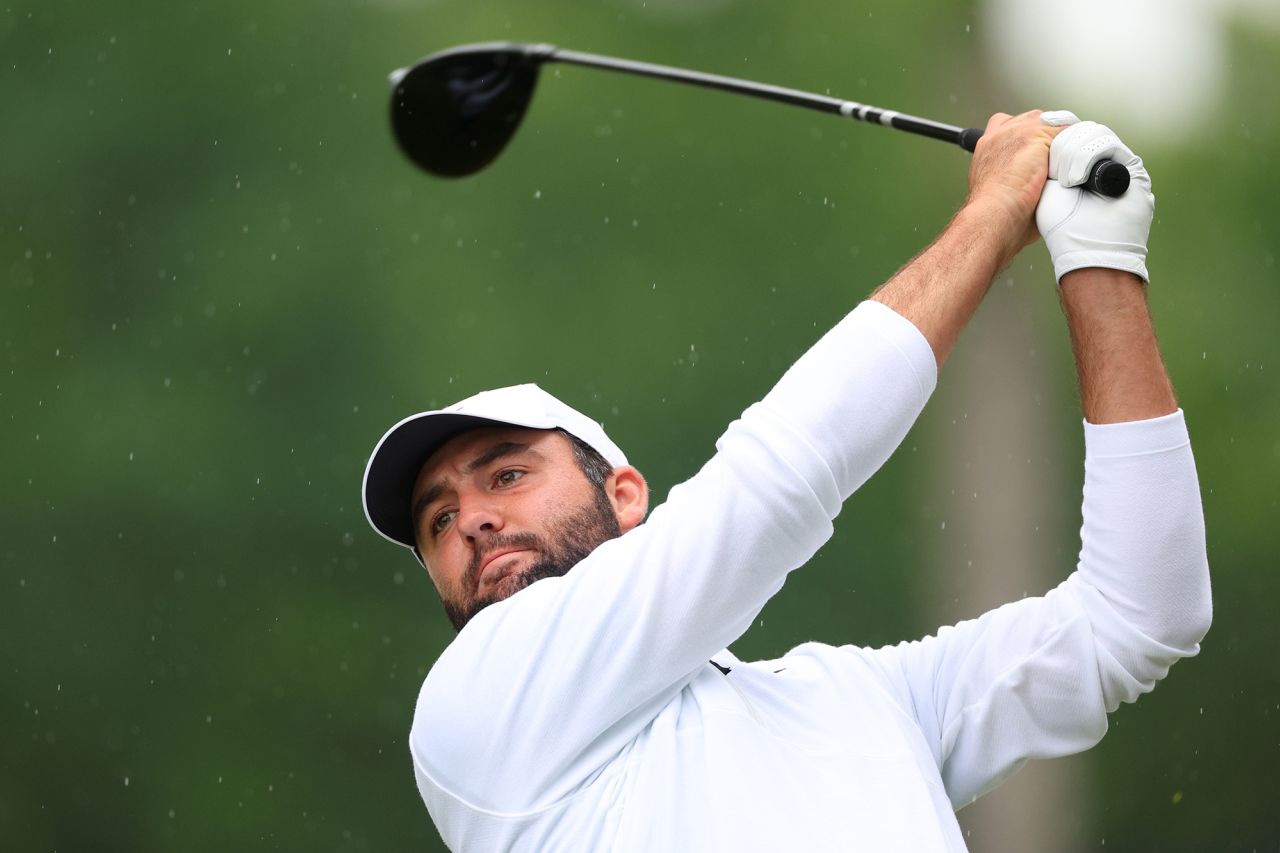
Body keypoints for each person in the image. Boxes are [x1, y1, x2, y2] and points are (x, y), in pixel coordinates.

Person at [361, 110, 1211, 851]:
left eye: (505, 475)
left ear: (624, 496)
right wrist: (996, 208)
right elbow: (772, 485)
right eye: (436, 521)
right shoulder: (475, 707)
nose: (468, 519)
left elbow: (1136, 618)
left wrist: (1099, 253)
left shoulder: (861, 701)